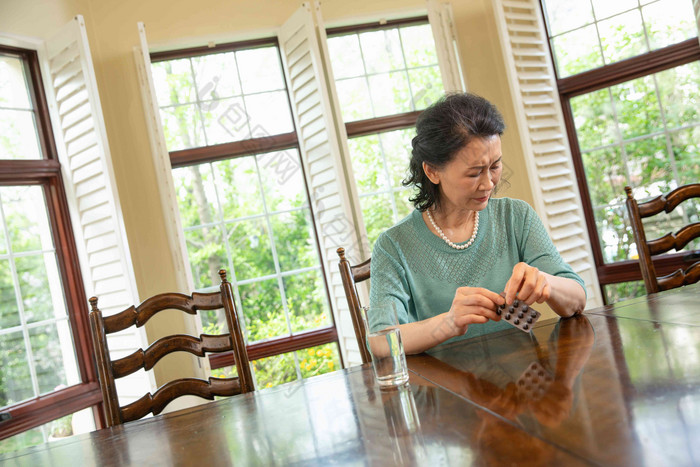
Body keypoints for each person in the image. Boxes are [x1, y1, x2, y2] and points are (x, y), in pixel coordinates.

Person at [368, 92, 586, 354]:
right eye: (474, 173)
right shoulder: (394, 246)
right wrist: (449, 323)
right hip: (449, 388)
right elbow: (382, 341)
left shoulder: (515, 216)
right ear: (432, 171)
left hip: (523, 384)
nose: (489, 183)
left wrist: (546, 282)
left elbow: (577, 299)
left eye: (495, 166)